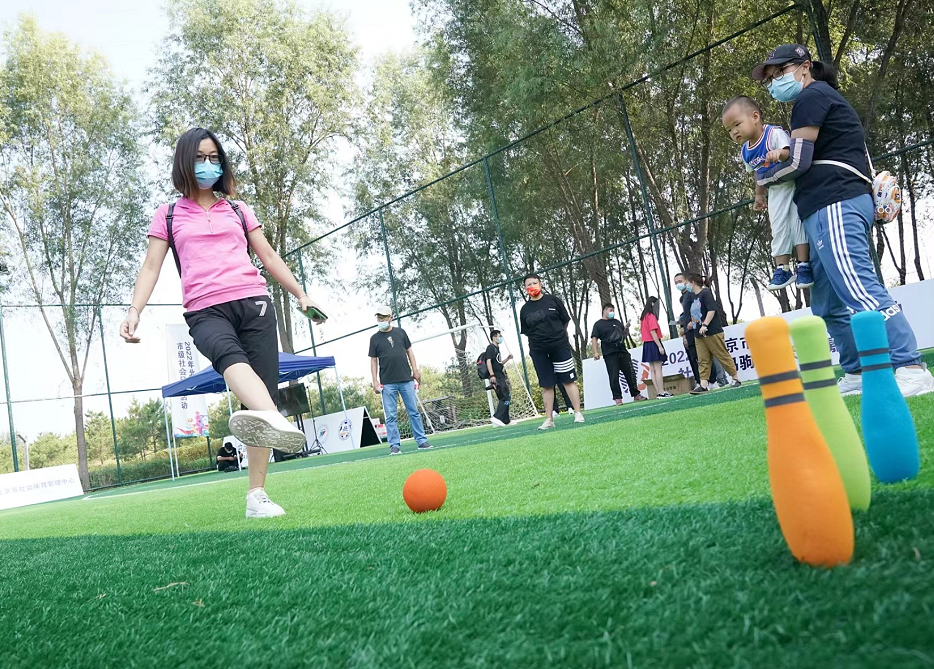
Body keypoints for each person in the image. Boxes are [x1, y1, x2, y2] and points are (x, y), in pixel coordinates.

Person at [121, 127, 326, 519]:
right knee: (230, 359)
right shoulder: (168, 214)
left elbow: (268, 256)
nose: (208, 165)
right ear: (185, 161)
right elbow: (150, 267)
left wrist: (301, 295)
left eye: (215, 158)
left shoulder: (237, 209)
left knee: (258, 397)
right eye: (200, 157)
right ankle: (274, 418)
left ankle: (257, 496)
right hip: (205, 310)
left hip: (254, 304)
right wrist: (134, 311)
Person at [752, 44, 934, 397]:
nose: (774, 83)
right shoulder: (815, 99)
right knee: (827, 303)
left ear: (804, 67)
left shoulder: (811, 97)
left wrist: (764, 177)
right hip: (821, 208)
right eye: (770, 79)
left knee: (859, 287)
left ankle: (910, 366)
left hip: (836, 202)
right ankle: (857, 372)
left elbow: (799, 162)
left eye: (779, 73)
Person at [721, 95, 812, 292]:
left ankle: (804, 265)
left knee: (797, 224)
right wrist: (759, 195)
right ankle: (783, 268)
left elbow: (790, 152)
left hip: (794, 185)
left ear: (755, 117)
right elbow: (758, 173)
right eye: (729, 130)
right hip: (776, 192)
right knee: (778, 228)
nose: (734, 132)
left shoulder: (773, 134)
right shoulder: (746, 151)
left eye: (737, 124)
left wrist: (779, 153)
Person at [519, 273, 584, 429]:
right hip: (538, 351)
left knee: (568, 380)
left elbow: (565, 320)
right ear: (525, 288)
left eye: (534, 283)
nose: (532, 286)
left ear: (540, 284)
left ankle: (578, 413)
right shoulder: (524, 309)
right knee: (547, 385)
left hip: (560, 346)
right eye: (528, 284)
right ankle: (549, 419)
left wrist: (556, 335)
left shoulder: (553, 300)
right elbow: (526, 331)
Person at [369, 305, 434, 454]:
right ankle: (394, 445)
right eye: (379, 317)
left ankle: (421, 441)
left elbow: (409, 351)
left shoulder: (401, 332)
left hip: (406, 379)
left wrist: (415, 370)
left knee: (414, 412)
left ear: (391, 318)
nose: (381, 320)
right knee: (391, 416)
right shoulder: (374, 339)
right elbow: (373, 360)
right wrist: (375, 381)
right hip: (387, 383)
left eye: (383, 317)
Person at [684, 273, 742, 394]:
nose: (686, 286)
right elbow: (697, 313)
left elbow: (711, 310)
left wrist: (705, 325)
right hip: (698, 333)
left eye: (687, 283)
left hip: (712, 331)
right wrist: (692, 323)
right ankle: (703, 385)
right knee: (703, 360)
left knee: (721, 354)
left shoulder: (706, 293)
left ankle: (735, 378)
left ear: (693, 283)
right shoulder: (693, 296)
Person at [674, 273, 728, 388]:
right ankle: (702, 382)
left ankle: (714, 380)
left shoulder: (694, 294)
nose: (678, 284)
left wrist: (697, 322)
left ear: (687, 281)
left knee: (706, 357)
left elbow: (701, 309)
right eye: (676, 283)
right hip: (689, 330)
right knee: (696, 357)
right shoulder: (684, 297)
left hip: (698, 329)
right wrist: (683, 327)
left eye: (680, 281)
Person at [591, 303, 646, 404]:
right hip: (610, 353)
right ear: (604, 310)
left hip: (622, 351)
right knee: (614, 376)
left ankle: (636, 394)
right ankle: (617, 398)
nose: (612, 312)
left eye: (613, 310)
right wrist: (595, 352)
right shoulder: (598, 324)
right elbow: (594, 338)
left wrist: (627, 328)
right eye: (610, 310)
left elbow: (623, 335)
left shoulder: (617, 322)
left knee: (630, 373)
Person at [639, 296, 671, 399]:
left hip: (647, 344)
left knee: (652, 369)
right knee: (658, 369)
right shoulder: (651, 316)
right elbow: (653, 332)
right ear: (652, 304)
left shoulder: (643, 317)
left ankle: (659, 392)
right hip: (653, 343)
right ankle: (661, 392)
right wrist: (659, 346)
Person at [485, 329, 514, 426]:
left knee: (507, 396)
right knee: (504, 397)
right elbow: (488, 361)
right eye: (499, 336)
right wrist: (492, 375)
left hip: (501, 375)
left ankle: (506, 420)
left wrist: (508, 358)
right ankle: (496, 417)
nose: (501, 338)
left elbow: (499, 363)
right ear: (494, 338)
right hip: (496, 376)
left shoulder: (497, 349)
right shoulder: (490, 348)